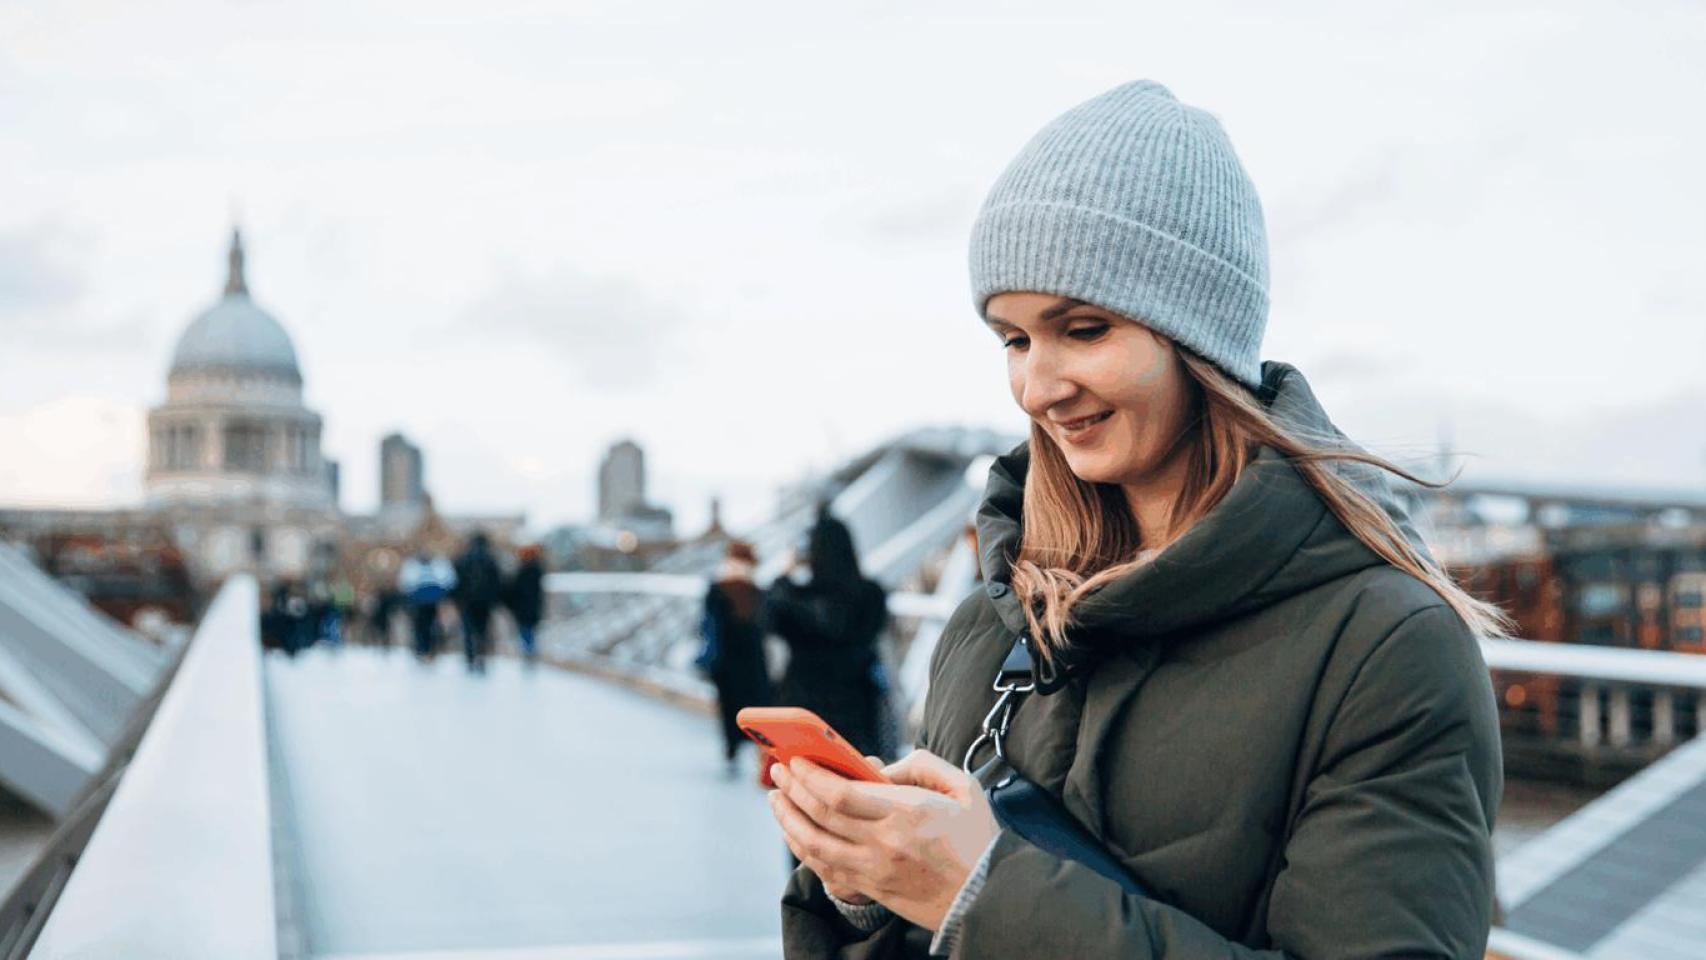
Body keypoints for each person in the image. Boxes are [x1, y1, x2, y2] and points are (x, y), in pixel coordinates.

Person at [770, 80, 1506, 959]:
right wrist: (868, 891)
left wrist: (978, 896)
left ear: (1198, 338)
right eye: (1014, 339)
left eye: (1082, 329)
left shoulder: (1385, 650)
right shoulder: (992, 623)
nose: (1038, 388)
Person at [763, 508, 889, 763]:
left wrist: (785, 575)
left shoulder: (797, 598)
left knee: (803, 783)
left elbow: (769, 617)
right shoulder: (871, 594)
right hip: (857, 703)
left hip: (804, 704)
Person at [700, 540, 775, 773]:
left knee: (729, 707)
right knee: (758, 707)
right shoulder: (757, 591)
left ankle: (731, 750)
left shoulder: (716, 588)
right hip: (754, 660)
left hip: (726, 661)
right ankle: (760, 753)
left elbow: (708, 626)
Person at [453, 532, 503, 674]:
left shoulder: (463, 559)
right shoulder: (491, 559)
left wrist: (457, 599)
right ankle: (481, 657)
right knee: (483, 631)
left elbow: (456, 581)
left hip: (466, 602)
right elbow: (497, 582)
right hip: (485, 602)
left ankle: (470, 658)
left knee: (468, 631)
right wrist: (495, 600)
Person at [399, 548, 456, 661]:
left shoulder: (414, 566)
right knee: (426, 626)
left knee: (423, 626)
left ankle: (425, 650)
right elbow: (449, 581)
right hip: (427, 601)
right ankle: (426, 650)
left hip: (423, 601)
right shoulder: (437, 565)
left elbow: (405, 583)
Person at [506, 544, 546, 663]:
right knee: (529, 630)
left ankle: (528, 651)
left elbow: (515, 588)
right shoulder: (537, 569)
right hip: (532, 606)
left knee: (525, 630)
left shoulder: (524, 570)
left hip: (524, 606)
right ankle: (530, 650)